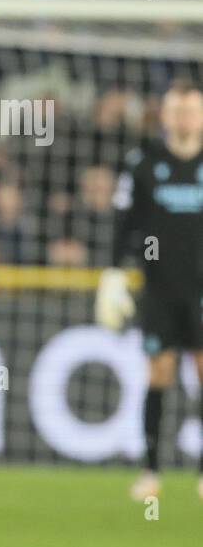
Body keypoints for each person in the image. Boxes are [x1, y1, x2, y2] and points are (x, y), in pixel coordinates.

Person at [96, 81, 203, 501]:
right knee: (158, 374)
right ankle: (151, 471)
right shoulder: (143, 162)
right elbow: (126, 223)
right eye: (176, 110)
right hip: (160, 286)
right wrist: (113, 273)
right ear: (164, 115)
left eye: (191, 109)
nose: (183, 117)